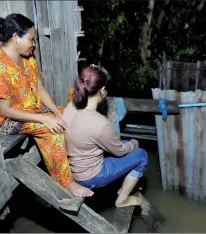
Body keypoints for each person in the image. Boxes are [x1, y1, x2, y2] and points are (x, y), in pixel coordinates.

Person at [0, 13, 93, 197]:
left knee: (67, 115)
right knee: (52, 129)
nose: (34, 44)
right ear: (15, 37)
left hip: (32, 109)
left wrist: (56, 112)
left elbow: (40, 89)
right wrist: (45, 118)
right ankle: (66, 184)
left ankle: (77, 164)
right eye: (31, 39)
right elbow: (5, 110)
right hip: (8, 121)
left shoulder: (28, 58)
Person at [63, 65, 148, 207]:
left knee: (124, 143)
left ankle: (125, 184)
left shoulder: (70, 107)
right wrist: (134, 143)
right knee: (141, 155)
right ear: (102, 91)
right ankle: (122, 199)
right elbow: (119, 151)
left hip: (74, 168)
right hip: (92, 177)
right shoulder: (100, 123)